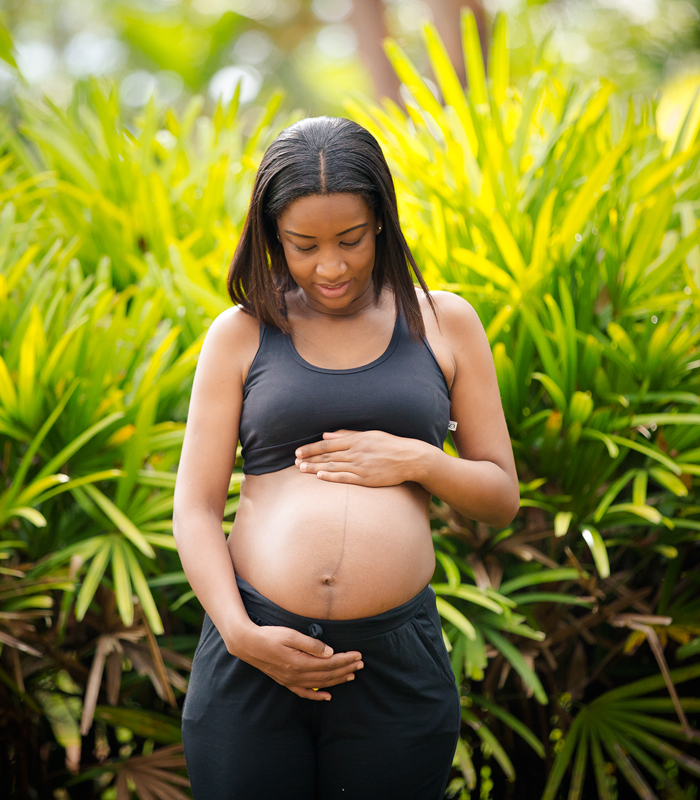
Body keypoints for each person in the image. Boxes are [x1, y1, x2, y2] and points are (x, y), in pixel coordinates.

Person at [172, 116, 521, 800]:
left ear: (381, 221)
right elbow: (195, 508)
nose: (330, 267)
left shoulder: (444, 322)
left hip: (392, 663)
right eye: (303, 246)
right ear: (272, 235)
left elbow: (500, 497)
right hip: (254, 653)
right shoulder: (240, 333)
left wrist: (418, 461)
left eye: (351, 240)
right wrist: (240, 634)